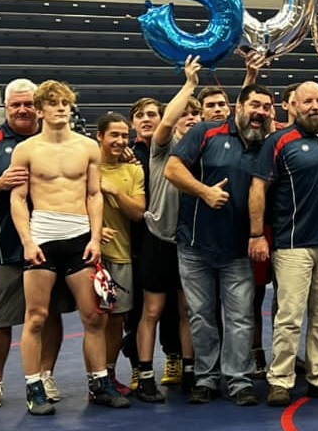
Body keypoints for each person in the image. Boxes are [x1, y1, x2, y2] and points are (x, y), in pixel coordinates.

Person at [10, 80, 130, 414]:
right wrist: (28, 242)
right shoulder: (27, 150)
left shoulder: (88, 147)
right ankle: (35, 387)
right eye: (53, 103)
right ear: (40, 109)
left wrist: (94, 238)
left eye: (65, 102)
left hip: (80, 238)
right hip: (43, 239)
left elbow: (94, 194)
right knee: (36, 317)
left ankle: (99, 383)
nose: (61, 108)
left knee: (94, 317)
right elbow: (18, 198)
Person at [165, 83, 274, 407]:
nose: (261, 112)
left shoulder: (264, 145)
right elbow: (172, 169)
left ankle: (238, 381)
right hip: (195, 245)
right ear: (239, 106)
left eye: (267, 107)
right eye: (255, 105)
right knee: (201, 315)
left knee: (240, 317)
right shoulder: (205, 132)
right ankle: (206, 379)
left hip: (238, 248)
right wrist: (204, 191)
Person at [249, 81, 318, 407]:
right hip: (293, 242)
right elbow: (257, 188)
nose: (316, 107)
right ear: (294, 105)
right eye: (308, 101)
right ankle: (280, 379)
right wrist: (256, 234)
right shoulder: (279, 142)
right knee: (290, 315)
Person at [0, 79, 72, 410]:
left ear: (39, 106)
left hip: (54, 246)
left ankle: (45, 375)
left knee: (51, 314)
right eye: (16, 105)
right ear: (5, 107)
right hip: (6, 247)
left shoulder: (58, 141)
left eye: (29, 103)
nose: (23, 110)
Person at [136, 56, 202, 402]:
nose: (189, 119)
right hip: (159, 238)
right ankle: (146, 373)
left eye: (196, 114)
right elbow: (165, 122)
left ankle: (190, 371)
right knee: (153, 310)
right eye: (184, 115)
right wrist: (189, 85)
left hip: (190, 242)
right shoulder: (163, 148)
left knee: (187, 310)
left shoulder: (204, 149)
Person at [95, 113, 147, 397]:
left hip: (121, 255)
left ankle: (109, 375)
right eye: (113, 135)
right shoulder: (86, 167)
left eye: (124, 135)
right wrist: (93, 231)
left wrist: (114, 191)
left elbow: (138, 213)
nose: (119, 140)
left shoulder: (133, 171)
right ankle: (95, 378)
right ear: (99, 136)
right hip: (90, 255)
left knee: (115, 320)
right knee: (94, 320)